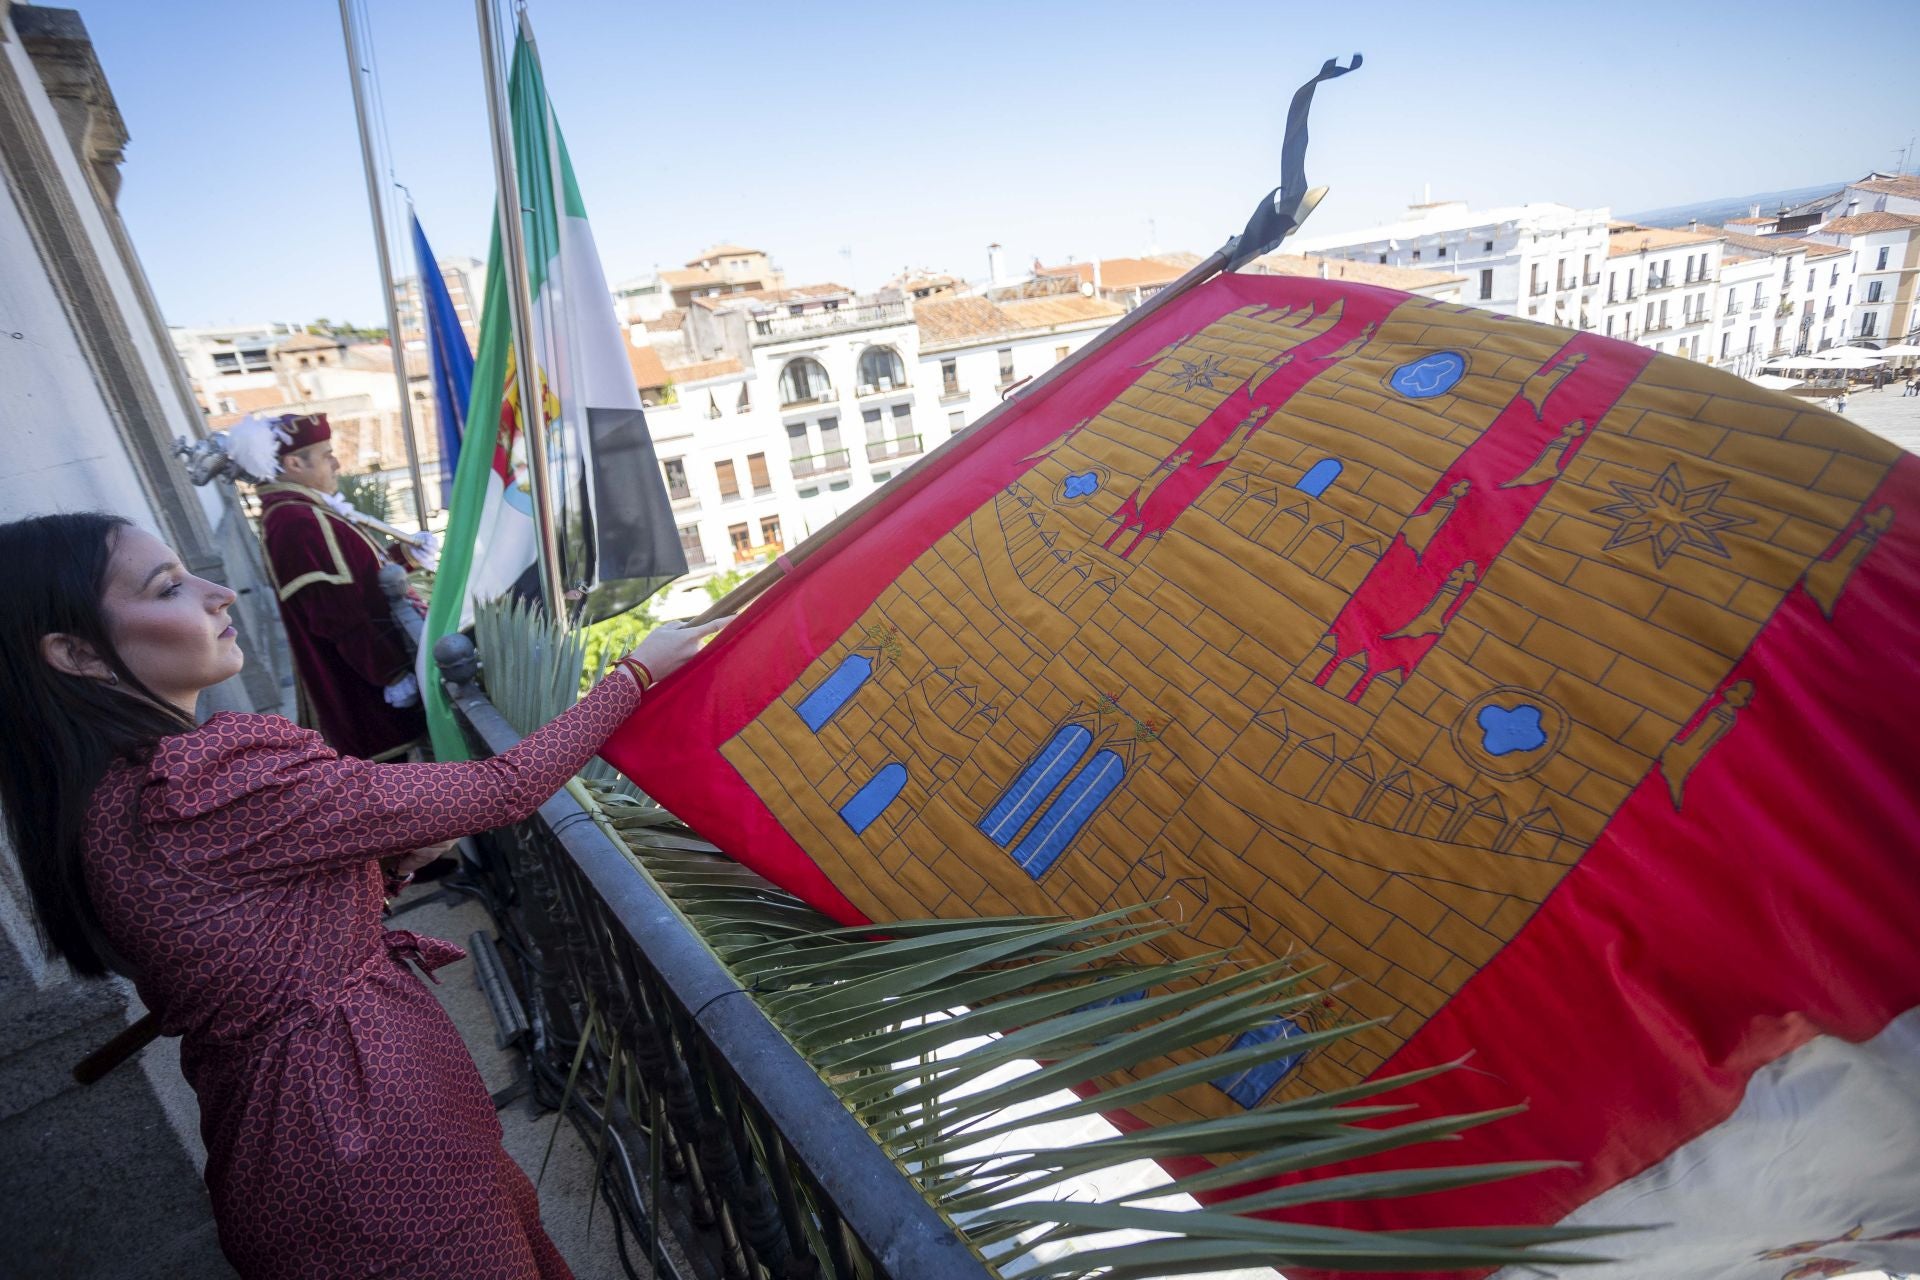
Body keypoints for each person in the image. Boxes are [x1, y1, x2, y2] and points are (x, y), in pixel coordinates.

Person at [0, 511, 726, 1280]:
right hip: (374, 1161)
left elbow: (245, 940)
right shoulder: (201, 780)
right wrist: (636, 676)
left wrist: (381, 869)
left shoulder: (110, 799)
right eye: (170, 587)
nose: (219, 593)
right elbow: (501, 788)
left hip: (308, 1159)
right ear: (76, 653)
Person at [254, 412, 425, 761]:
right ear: (293, 463)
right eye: (326, 454)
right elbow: (335, 612)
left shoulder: (299, 511)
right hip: (366, 690)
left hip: (373, 676)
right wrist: (391, 675)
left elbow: (358, 574)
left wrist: (405, 556)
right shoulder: (295, 520)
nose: (336, 463)